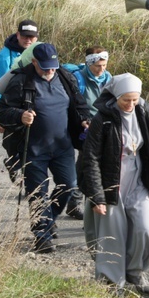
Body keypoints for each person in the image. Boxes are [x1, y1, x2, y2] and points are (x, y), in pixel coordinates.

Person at [0, 43, 92, 253]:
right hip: (32, 148)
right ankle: (42, 236)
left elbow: (80, 104)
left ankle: (47, 220)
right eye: (45, 67)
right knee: (38, 193)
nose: (49, 71)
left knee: (69, 186)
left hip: (62, 146)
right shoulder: (21, 81)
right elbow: (1, 111)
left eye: (53, 67)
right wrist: (19, 116)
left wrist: (85, 119)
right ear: (34, 62)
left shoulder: (66, 77)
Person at [78, 73, 149, 297]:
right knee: (112, 237)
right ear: (116, 97)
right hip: (110, 184)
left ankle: (136, 270)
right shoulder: (102, 119)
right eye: (126, 100)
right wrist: (97, 195)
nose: (131, 105)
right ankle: (112, 283)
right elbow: (91, 158)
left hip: (137, 181)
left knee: (147, 231)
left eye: (135, 100)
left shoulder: (142, 111)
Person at [63, 47, 113, 251]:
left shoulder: (109, 78)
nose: (101, 69)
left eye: (104, 65)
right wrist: (85, 121)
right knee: (88, 166)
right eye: (97, 66)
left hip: (105, 127)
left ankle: (75, 202)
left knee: (85, 166)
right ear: (88, 63)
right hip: (86, 127)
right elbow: (75, 104)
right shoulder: (79, 79)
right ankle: (80, 205)